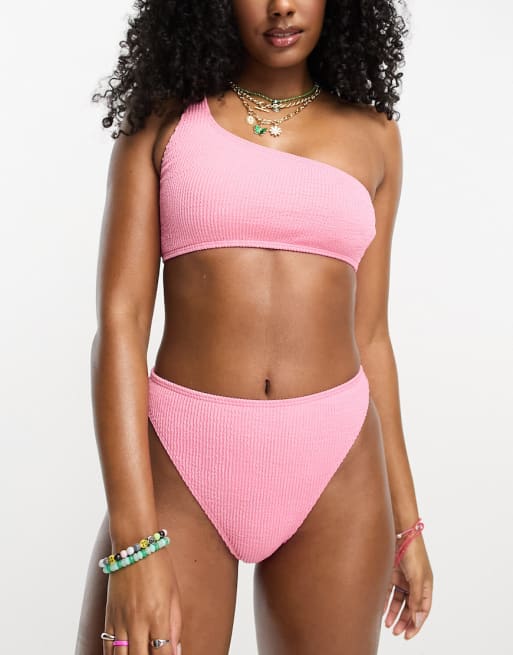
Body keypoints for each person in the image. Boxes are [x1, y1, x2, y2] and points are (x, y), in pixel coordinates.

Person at [75, 1, 433, 653]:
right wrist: (133, 544)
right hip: (183, 460)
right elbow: (121, 324)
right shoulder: (162, 124)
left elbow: (372, 336)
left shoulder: (375, 136)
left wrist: (406, 523)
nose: (281, 7)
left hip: (337, 467)